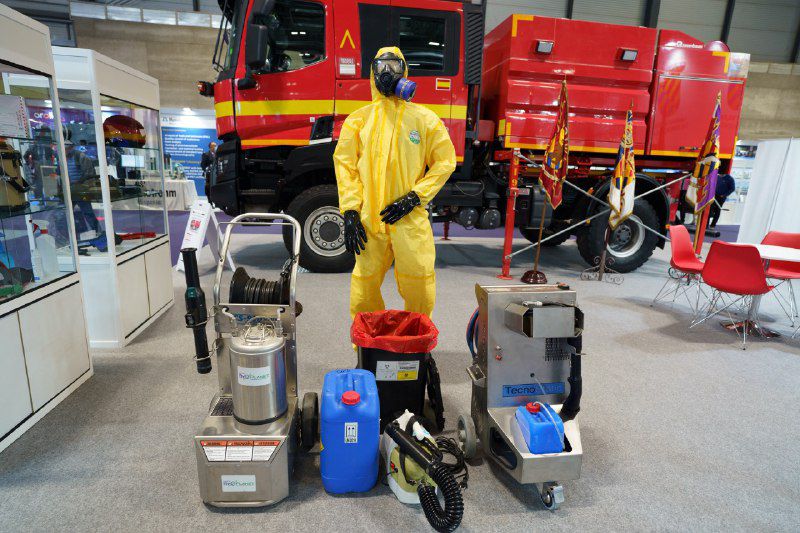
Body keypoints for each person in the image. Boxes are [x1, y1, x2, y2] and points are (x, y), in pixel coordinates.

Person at [334, 47, 456, 320]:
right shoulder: (358, 121)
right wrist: (350, 211)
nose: (387, 73)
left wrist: (415, 197)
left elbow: (445, 162)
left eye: (394, 66)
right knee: (364, 288)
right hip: (370, 220)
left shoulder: (424, 120)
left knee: (420, 283)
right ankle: (367, 339)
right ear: (372, 73)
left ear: (405, 71)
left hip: (409, 219)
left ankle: (418, 337)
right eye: (381, 67)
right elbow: (345, 167)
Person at [64, 140, 101, 235]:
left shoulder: (80, 156)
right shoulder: (62, 157)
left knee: (88, 212)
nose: (65, 151)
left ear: (71, 148)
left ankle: (98, 232)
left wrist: (80, 183)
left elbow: (89, 173)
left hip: (81, 190)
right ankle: (71, 235)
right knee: (66, 213)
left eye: (66, 149)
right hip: (69, 190)